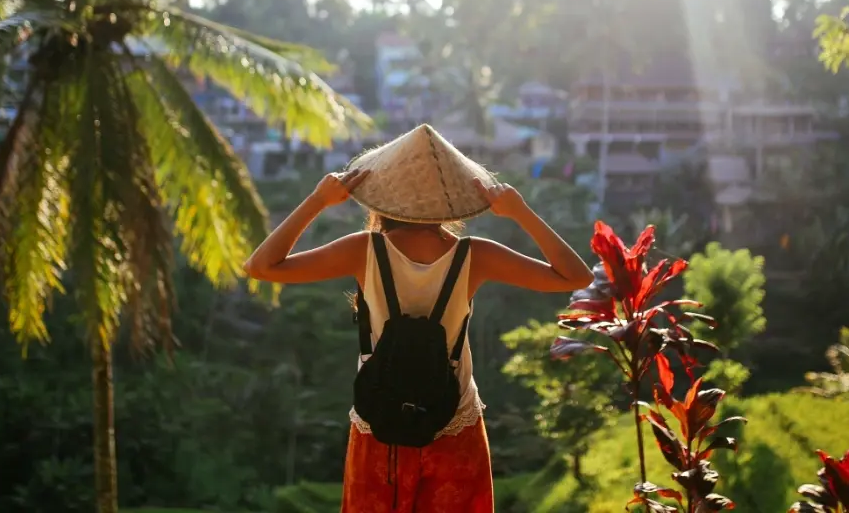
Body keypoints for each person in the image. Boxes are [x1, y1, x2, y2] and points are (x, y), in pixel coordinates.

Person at [244, 124, 594, 513]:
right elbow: (577, 277)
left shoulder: (364, 250)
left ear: (383, 198)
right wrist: (518, 210)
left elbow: (262, 266)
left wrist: (317, 200)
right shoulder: (474, 255)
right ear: (450, 198)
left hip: (380, 420)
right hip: (453, 418)